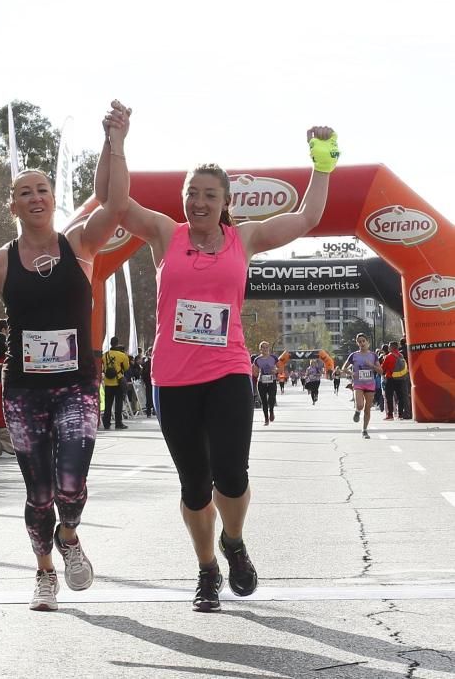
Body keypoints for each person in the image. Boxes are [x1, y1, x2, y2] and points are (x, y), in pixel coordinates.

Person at [96, 101, 338, 612]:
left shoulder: (243, 239)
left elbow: (308, 217)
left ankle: (235, 541)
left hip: (228, 369)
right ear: (183, 200)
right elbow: (114, 203)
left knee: (232, 473)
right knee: (194, 484)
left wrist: (322, 162)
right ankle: (208, 568)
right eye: (192, 194)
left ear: (226, 201)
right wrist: (116, 140)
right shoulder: (166, 234)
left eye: (209, 195)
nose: (199, 202)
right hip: (174, 378)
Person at [0, 103, 129, 612]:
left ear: (54, 200)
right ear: (12, 207)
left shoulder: (80, 243)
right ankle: (44, 575)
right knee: (38, 493)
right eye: (24, 192)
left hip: (77, 384)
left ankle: (71, 535)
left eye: (42, 189)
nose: (35, 197)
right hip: (25, 391)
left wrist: (116, 140)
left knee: (71, 483)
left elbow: (118, 202)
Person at [342, 333, 382, 439]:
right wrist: (351, 373)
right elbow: (344, 368)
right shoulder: (354, 355)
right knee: (360, 405)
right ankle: (357, 411)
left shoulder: (373, 355)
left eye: (363, 341)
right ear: (357, 343)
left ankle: (364, 430)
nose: (362, 343)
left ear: (367, 342)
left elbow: (381, 371)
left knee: (367, 408)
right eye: (359, 341)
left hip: (370, 384)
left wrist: (372, 366)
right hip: (358, 384)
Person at [102, 336, 130, 429]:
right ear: (117, 343)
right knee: (118, 403)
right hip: (118, 381)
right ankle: (118, 423)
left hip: (107, 382)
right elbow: (126, 368)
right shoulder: (122, 355)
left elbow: (102, 368)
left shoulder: (105, 355)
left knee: (108, 404)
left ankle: (106, 423)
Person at [252, 341, 278, 426]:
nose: (265, 349)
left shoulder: (273, 358)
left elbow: (279, 368)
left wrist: (275, 370)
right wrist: (253, 369)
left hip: (272, 381)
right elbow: (255, 374)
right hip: (261, 382)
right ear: (260, 349)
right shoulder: (257, 360)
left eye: (267, 347)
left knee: (272, 398)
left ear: (269, 348)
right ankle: (266, 419)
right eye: (263, 347)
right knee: (264, 401)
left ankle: (271, 411)